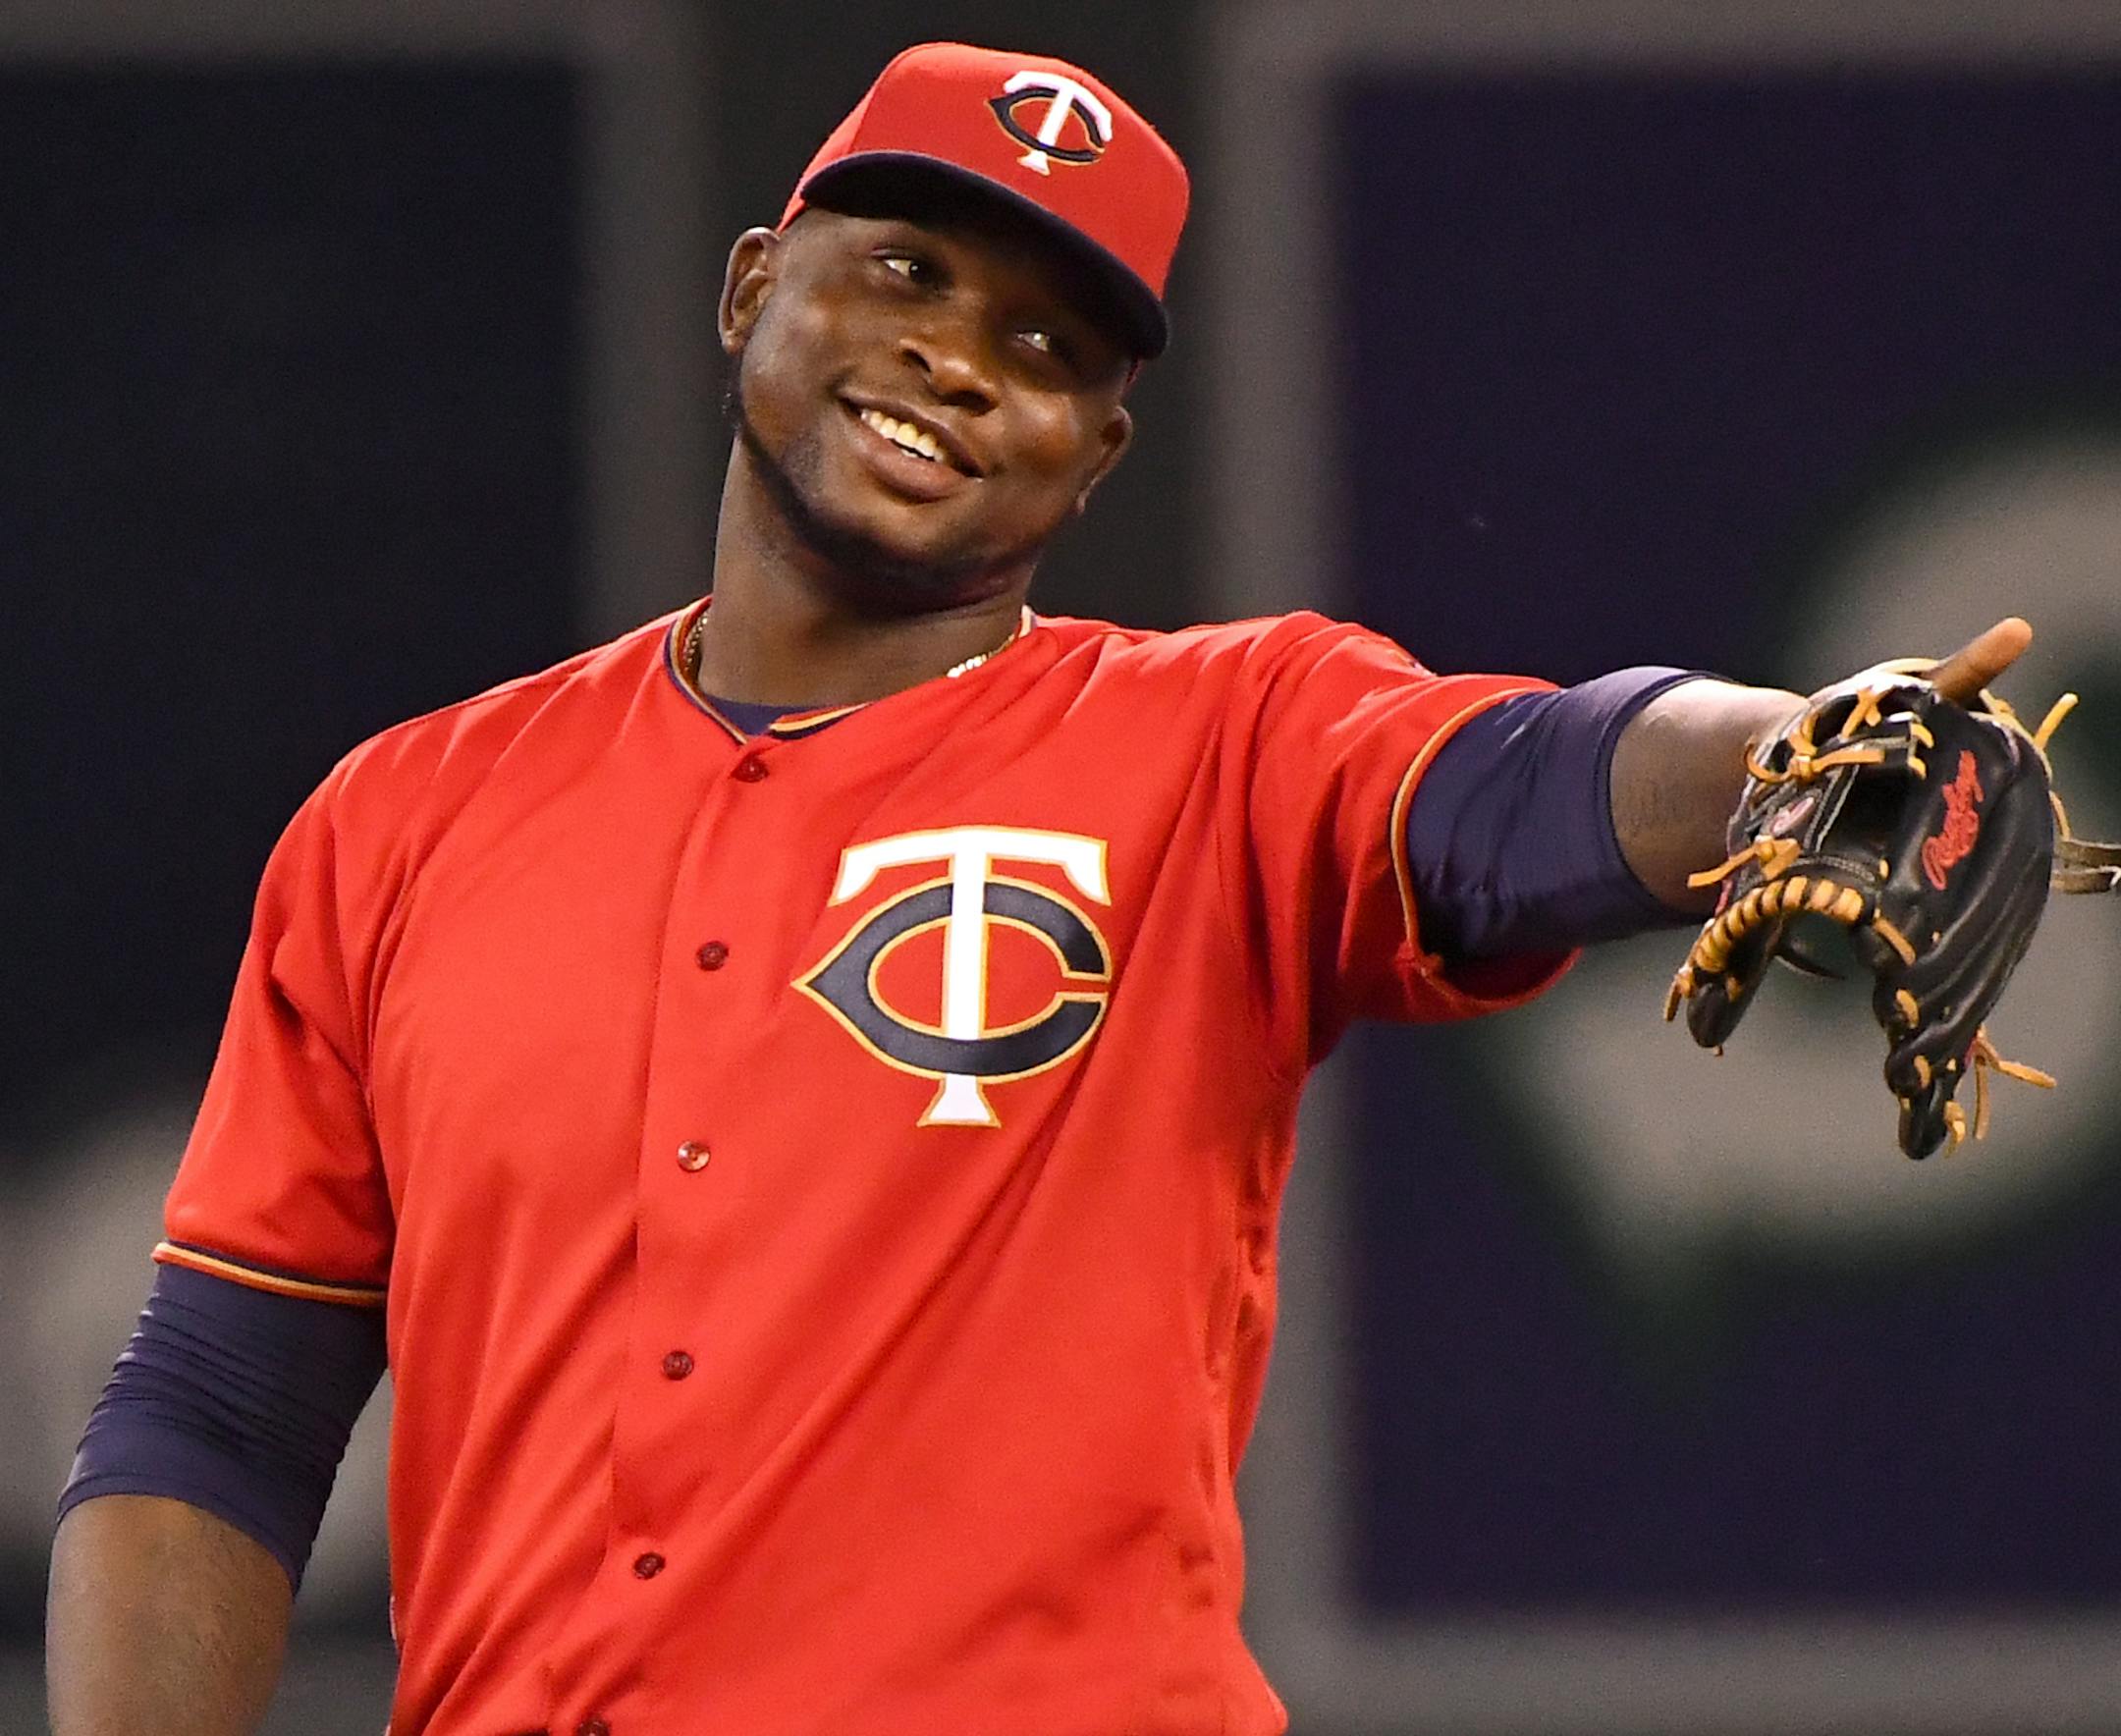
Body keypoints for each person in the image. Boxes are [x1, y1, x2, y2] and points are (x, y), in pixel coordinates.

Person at [46, 41, 2032, 1736]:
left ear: (1096, 453)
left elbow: (1513, 785)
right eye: (901, 267)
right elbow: (223, 1401)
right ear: (752, 284)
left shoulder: (1219, 743)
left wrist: (1792, 752)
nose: (956, 360)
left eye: (1044, 344)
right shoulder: (406, 819)